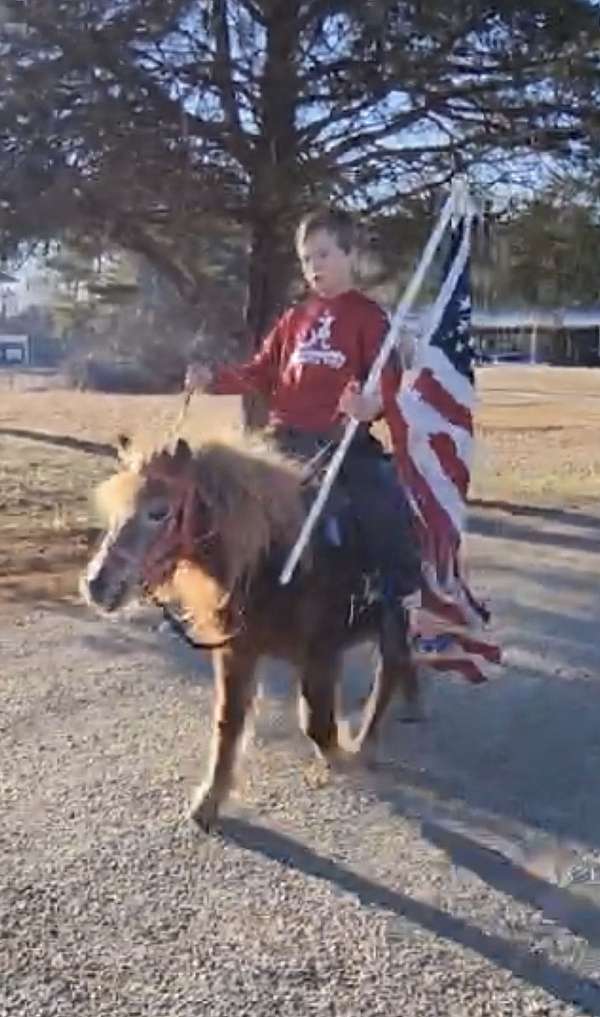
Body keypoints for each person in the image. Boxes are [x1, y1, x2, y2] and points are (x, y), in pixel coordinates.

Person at [185, 208, 422, 615]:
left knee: (383, 495)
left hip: (339, 442)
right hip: (283, 436)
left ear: (350, 255)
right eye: (307, 258)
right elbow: (258, 372)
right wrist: (213, 379)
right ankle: (219, 587)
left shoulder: (368, 317)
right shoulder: (295, 319)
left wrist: (369, 407)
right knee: (221, 493)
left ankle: (391, 591)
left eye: (324, 255)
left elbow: (389, 380)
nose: (314, 266)